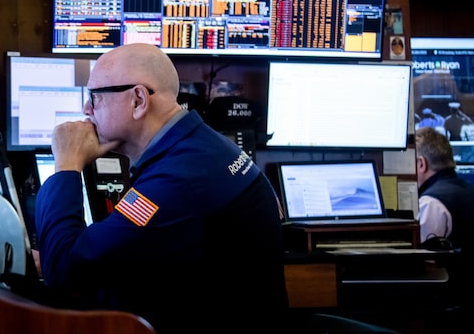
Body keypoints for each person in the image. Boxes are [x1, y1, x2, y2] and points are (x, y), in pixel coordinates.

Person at [34, 43, 289, 333]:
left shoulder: (177, 181)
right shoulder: (200, 149)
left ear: (138, 100)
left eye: (96, 97)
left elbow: (62, 271)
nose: (87, 109)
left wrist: (67, 162)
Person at [415, 126, 474, 322]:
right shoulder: (470, 191)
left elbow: (424, 265)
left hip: (451, 307)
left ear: (421, 164)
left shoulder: (431, 203)